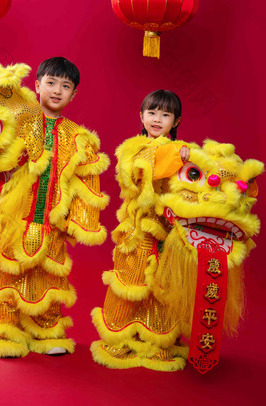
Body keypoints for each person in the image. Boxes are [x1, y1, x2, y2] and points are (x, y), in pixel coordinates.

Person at [0, 57, 110, 358]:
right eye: (51, 83)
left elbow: (86, 180)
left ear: (74, 94)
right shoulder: (18, 119)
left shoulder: (78, 136)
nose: (57, 90)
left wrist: (79, 219)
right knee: (7, 270)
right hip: (14, 213)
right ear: (37, 85)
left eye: (65, 86)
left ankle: (46, 330)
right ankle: (4, 331)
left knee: (50, 274)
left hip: (52, 218)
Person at [91, 89, 190, 371]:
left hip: (170, 229)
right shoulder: (131, 148)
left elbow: (188, 189)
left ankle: (159, 341)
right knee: (130, 280)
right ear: (141, 116)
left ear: (176, 120)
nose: (157, 119)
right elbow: (134, 179)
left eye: (165, 114)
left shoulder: (185, 151)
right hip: (137, 226)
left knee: (165, 284)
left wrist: (186, 159)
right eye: (152, 112)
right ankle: (119, 337)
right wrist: (173, 155)